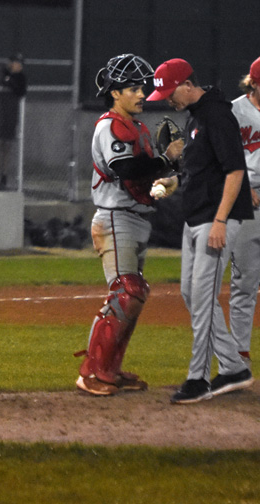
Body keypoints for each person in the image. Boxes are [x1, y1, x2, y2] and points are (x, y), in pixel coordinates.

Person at [74, 54, 183, 396]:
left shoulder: (137, 127)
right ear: (115, 93)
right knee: (126, 292)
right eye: (134, 88)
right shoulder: (110, 125)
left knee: (135, 294)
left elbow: (145, 178)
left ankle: (109, 369)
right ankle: (91, 372)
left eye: (142, 87)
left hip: (134, 218)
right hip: (114, 218)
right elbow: (126, 170)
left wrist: (166, 180)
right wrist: (165, 159)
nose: (141, 94)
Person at [147, 58, 255, 404]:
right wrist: (173, 181)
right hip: (196, 216)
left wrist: (222, 220)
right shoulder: (195, 117)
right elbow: (202, 173)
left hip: (215, 219)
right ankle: (234, 368)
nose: (166, 99)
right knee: (190, 295)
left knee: (204, 298)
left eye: (169, 91)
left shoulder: (218, 114)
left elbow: (235, 170)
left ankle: (198, 379)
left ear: (187, 85)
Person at [228, 56, 260, 369]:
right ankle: (239, 358)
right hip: (247, 201)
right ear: (254, 83)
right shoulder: (235, 112)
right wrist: (242, 186)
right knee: (245, 282)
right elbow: (225, 156)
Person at [0, 53, 27, 190]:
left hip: (11, 114)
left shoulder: (20, 77)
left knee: (7, 146)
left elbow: (20, 90)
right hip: (0, 114)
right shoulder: (2, 73)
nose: (18, 65)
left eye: (19, 63)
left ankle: (3, 176)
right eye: (16, 62)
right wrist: (6, 78)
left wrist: (9, 81)